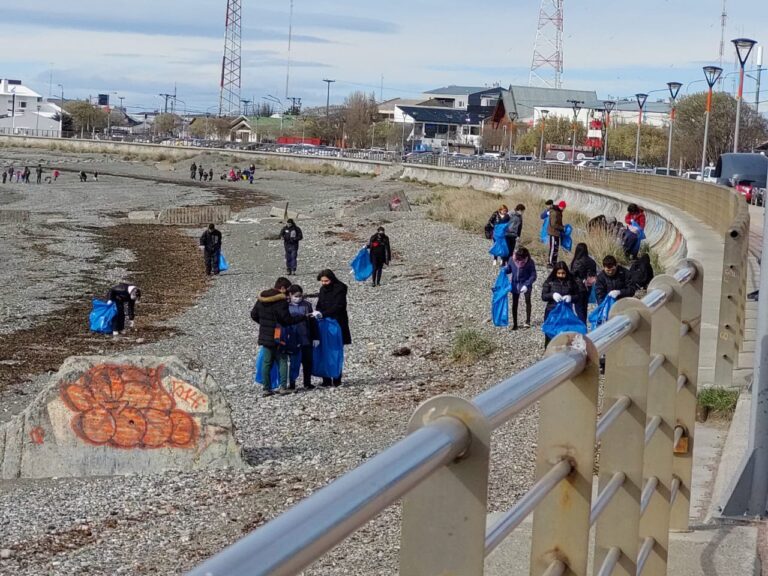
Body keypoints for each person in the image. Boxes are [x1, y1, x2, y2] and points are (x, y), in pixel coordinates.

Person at [250, 277, 307, 396]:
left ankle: (266, 388)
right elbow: (286, 320)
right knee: (282, 360)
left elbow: (253, 314)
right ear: (282, 288)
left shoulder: (262, 298)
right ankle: (283, 387)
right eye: (287, 290)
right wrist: (302, 317)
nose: (287, 293)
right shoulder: (280, 301)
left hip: (264, 335)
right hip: (278, 335)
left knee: (267, 362)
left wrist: (264, 324)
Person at [315, 269, 351, 387]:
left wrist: (323, 314)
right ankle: (326, 379)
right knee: (323, 350)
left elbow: (339, 306)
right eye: (322, 281)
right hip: (324, 322)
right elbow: (319, 304)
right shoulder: (322, 290)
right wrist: (317, 313)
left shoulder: (340, 288)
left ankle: (336, 378)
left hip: (337, 323)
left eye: (326, 281)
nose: (324, 283)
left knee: (335, 351)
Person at [286, 285, 319, 391]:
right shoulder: (286, 307)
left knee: (307, 362)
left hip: (306, 338)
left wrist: (315, 337)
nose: (298, 298)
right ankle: (292, 384)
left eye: (300, 296)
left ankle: (307, 383)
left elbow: (313, 322)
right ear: (290, 295)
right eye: (296, 296)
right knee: (294, 363)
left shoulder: (307, 305)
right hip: (293, 339)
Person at [541, 261, 581, 346]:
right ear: (555, 272)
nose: (561, 275)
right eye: (559, 273)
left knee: (565, 336)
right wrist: (552, 295)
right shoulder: (550, 282)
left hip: (566, 313)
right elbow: (543, 296)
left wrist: (570, 298)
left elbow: (578, 297)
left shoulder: (571, 282)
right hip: (551, 312)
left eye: (563, 273)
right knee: (549, 335)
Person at [503, 246, 537, 330]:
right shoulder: (512, 259)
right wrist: (505, 269)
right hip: (515, 284)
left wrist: (527, 284)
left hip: (526, 284)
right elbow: (509, 269)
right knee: (515, 304)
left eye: (522, 258)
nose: (520, 260)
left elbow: (533, 275)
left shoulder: (530, 262)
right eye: (518, 257)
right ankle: (515, 324)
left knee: (527, 301)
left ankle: (528, 321)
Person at [570, 242, 598, 324]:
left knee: (579, 309)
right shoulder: (592, 261)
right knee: (584, 307)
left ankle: (582, 327)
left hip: (578, 287)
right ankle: (584, 324)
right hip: (588, 287)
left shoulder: (577, 261)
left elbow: (573, 274)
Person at [546, 201, 566, 268]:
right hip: (553, 232)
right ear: (560, 206)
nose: (563, 209)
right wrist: (562, 228)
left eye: (564, 208)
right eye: (563, 207)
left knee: (556, 248)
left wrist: (563, 227)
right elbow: (553, 224)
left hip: (557, 233)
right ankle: (550, 262)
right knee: (553, 248)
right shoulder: (554, 213)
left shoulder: (559, 212)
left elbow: (559, 222)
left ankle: (554, 262)